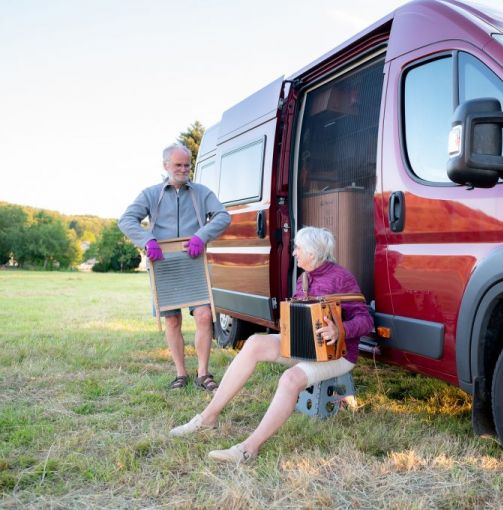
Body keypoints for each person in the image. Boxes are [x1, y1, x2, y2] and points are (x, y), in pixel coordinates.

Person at [169, 226, 373, 463]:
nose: (294, 253)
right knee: (255, 342)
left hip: (339, 355)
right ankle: (208, 418)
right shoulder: (304, 279)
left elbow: (366, 320)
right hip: (305, 349)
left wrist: (341, 330)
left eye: (297, 248)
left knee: (289, 379)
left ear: (313, 253)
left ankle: (248, 448)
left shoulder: (341, 278)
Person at [118, 143, 231, 392]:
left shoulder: (202, 192)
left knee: (203, 316)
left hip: (193, 263)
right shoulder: (150, 194)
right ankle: (181, 374)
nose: (183, 169)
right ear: (166, 165)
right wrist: (147, 240)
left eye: (187, 165)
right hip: (163, 264)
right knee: (172, 321)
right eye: (178, 165)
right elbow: (126, 220)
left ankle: (203, 373)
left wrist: (202, 236)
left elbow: (223, 216)